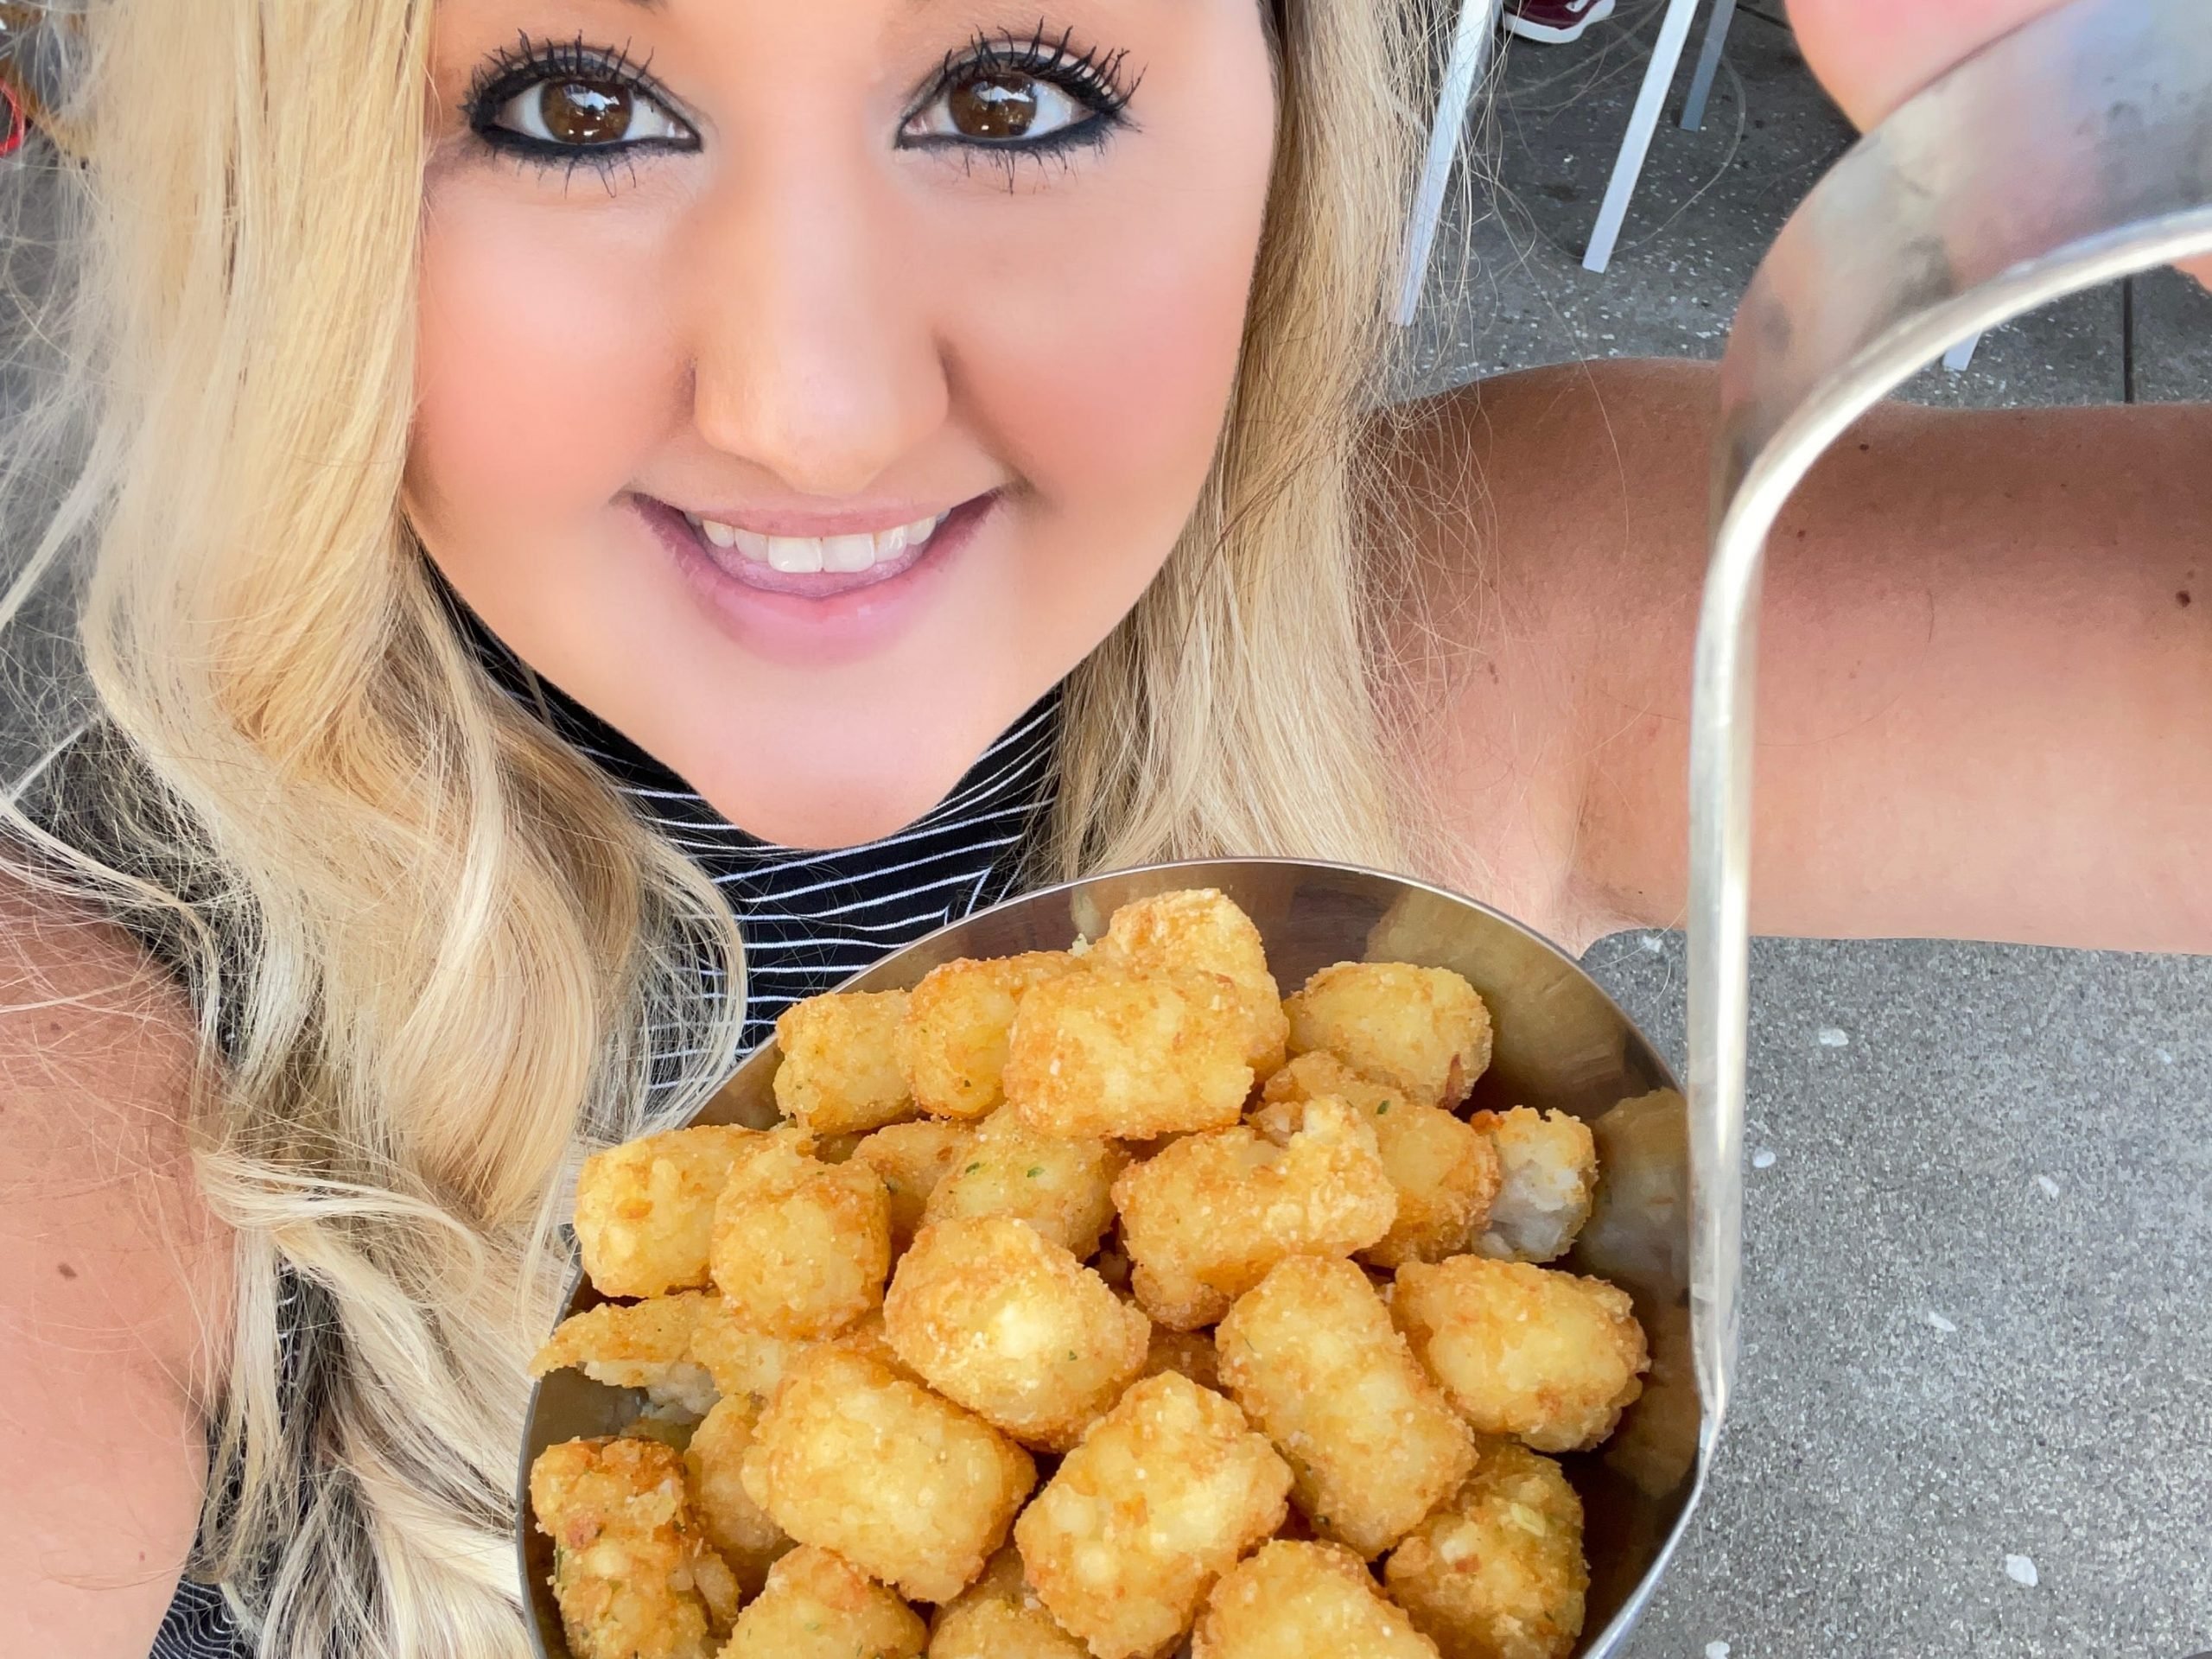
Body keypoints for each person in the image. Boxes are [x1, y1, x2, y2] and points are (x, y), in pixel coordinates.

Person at [0, 0, 2204, 1656]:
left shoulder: (1503, 617)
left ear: (1278, 124)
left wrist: (2106, 64)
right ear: (272, 189)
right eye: (577, 103)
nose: (813, 401)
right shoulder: (75, 1086)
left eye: (1009, 93)